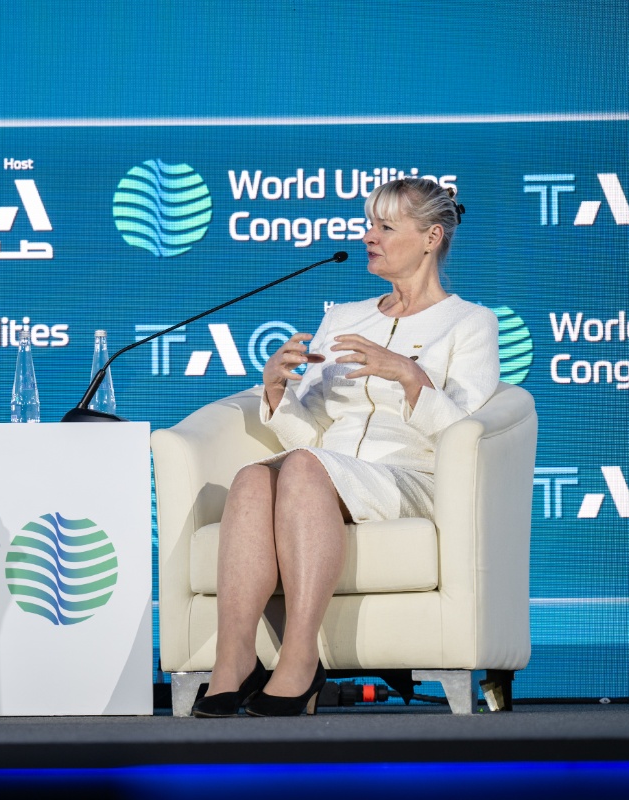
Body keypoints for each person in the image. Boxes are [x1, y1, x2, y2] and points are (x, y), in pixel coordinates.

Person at [192, 178, 498, 718]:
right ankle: (234, 658)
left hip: (408, 476)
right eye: (368, 225)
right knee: (253, 478)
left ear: (431, 238)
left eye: (385, 227)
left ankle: (300, 659)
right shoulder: (344, 318)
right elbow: (310, 437)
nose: (368, 237)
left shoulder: (470, 323)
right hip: (324, 471)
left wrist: (409, 376)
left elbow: (465, 435)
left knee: (304, 469)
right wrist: (276, 390)